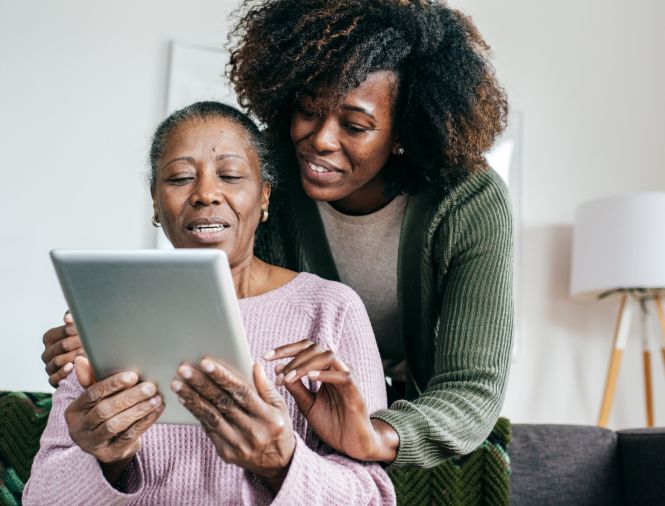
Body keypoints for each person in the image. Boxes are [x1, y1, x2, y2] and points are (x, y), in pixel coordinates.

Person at [42, 0, 514, 469]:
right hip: (308, 431)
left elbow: (471, 387)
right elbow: (225, 314)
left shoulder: (468, 201)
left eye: (355, 126)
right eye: (308, 111)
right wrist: (102, 349)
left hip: (413, 425)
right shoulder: (267, 181)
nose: (321, 140)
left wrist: (374, 436)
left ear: (403, 133)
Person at [25, 101, 395, 505]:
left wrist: (280, 463)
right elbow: (40, 497)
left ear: (265, 195)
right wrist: (103, 460)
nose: (205, 193)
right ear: (155, 200)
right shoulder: (107, 309)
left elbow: (372, 497)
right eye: (181, 177)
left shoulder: (331, 309)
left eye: (231, 175)